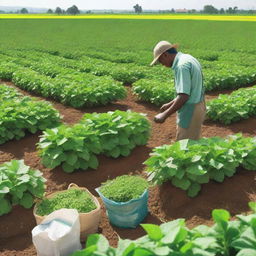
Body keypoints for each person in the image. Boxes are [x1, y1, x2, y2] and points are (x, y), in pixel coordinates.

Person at [150, 40, 206, 141]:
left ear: (165, 55)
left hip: (190, 110)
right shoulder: (188, 58)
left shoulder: (181, 66)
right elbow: (189, 90)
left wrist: (164, 114)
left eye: (160, 61)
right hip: (199, 105)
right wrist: (170, 104)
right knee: (192, 141)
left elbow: (184, 96)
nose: (162, 64)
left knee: (185, 146)